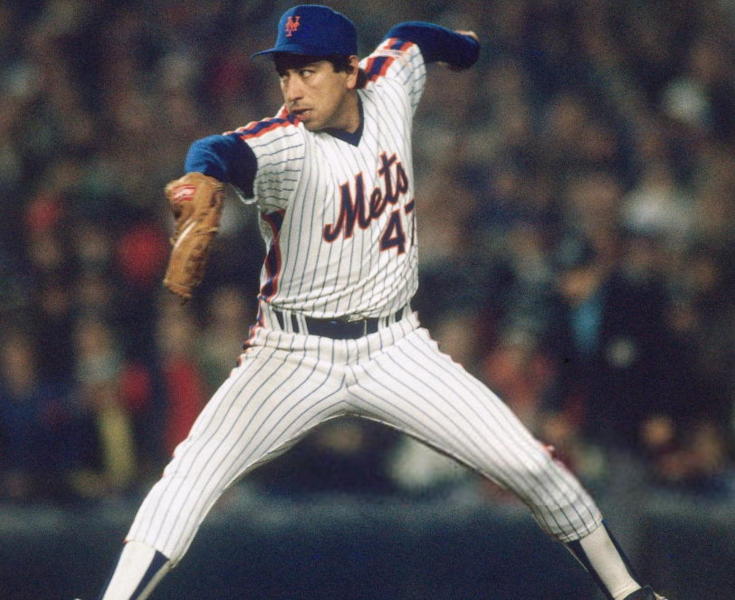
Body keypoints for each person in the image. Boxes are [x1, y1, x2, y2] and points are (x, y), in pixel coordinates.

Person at [88, 6, 668, 600]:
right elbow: (217, 150)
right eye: (284, 74)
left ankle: (629, 592)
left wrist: (462, 48)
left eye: (307, 72)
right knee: (190, 475)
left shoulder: (388, 85)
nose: (292, 90)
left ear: (349, 71)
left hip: (395, 347)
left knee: (531, 465)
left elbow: (411, 38)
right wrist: (200, 177)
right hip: (291, 355)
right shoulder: (286, 144)